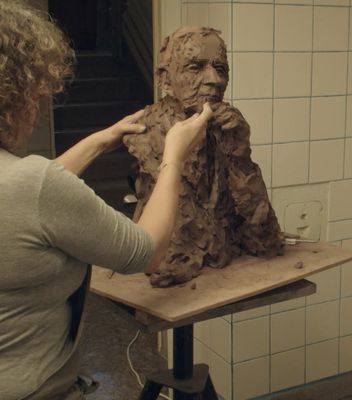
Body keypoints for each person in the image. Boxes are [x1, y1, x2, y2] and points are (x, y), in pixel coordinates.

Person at [0, 2, 212, 399]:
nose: (40, 103)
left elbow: (22, 194)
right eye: (36, 92)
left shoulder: (26, 185)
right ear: (13, 95)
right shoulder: (35, 186)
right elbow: (145, 252)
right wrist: (174, 157)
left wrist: (100, 139)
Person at [123, 27, 283, 288]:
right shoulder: (145, 134)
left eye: (220, 69)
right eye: (196, 67)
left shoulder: (228, 130)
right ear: (165, 79)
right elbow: (170, 245)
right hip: (170, 269)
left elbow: (264, 239)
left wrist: (240, 153)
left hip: (224, 270)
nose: (214, 80)